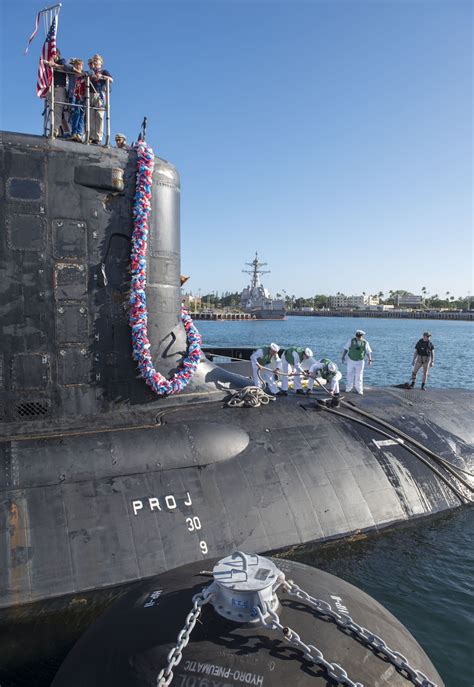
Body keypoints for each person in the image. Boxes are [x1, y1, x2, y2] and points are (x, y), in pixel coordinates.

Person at [87, 54, 113, 144]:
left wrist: (102, 76)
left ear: (101, 62)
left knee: (99, 115)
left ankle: (98, 137)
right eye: (94, 60)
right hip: (90, 93)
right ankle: (91, 136)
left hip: (99, 93)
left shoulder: (104, 71)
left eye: (97, 60)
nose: (95, 61)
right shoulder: (91, 71)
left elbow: (111, 79)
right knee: (91, 115)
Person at [44, 50, 68, 137]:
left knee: (57, 109)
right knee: (51, 109)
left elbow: (65, 67)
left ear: (57, 54)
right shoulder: (48, 63)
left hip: (59, 87)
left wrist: (54, 65)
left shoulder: (62, 61)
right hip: (51, 87)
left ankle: (55, 129)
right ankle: (53, 128)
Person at [342, 329, 372, 395]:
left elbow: (368, 352)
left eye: (360, 336)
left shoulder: (365, 342)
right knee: (349, 374)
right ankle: (349, 387)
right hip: (351, 360)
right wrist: (343, 357)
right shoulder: (351, 341)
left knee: (359, 376)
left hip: (360, 361)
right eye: (357, 336)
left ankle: (359, 389)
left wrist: (370, 360)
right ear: (356, 335)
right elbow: (346, 349)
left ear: (362, 336)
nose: (358, 337)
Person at [67, 58, 86, 142]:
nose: (79, 66)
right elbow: (66, 66)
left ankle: (79, 133)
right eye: (77, 65)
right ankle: (74, 132)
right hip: (74, 95)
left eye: (80, 65)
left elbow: (91, 73)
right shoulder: (72, 73)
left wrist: (83, 73)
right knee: (76, 113)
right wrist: (74, 69)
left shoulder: (84, 75)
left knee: (81, 114)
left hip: (81, 97)